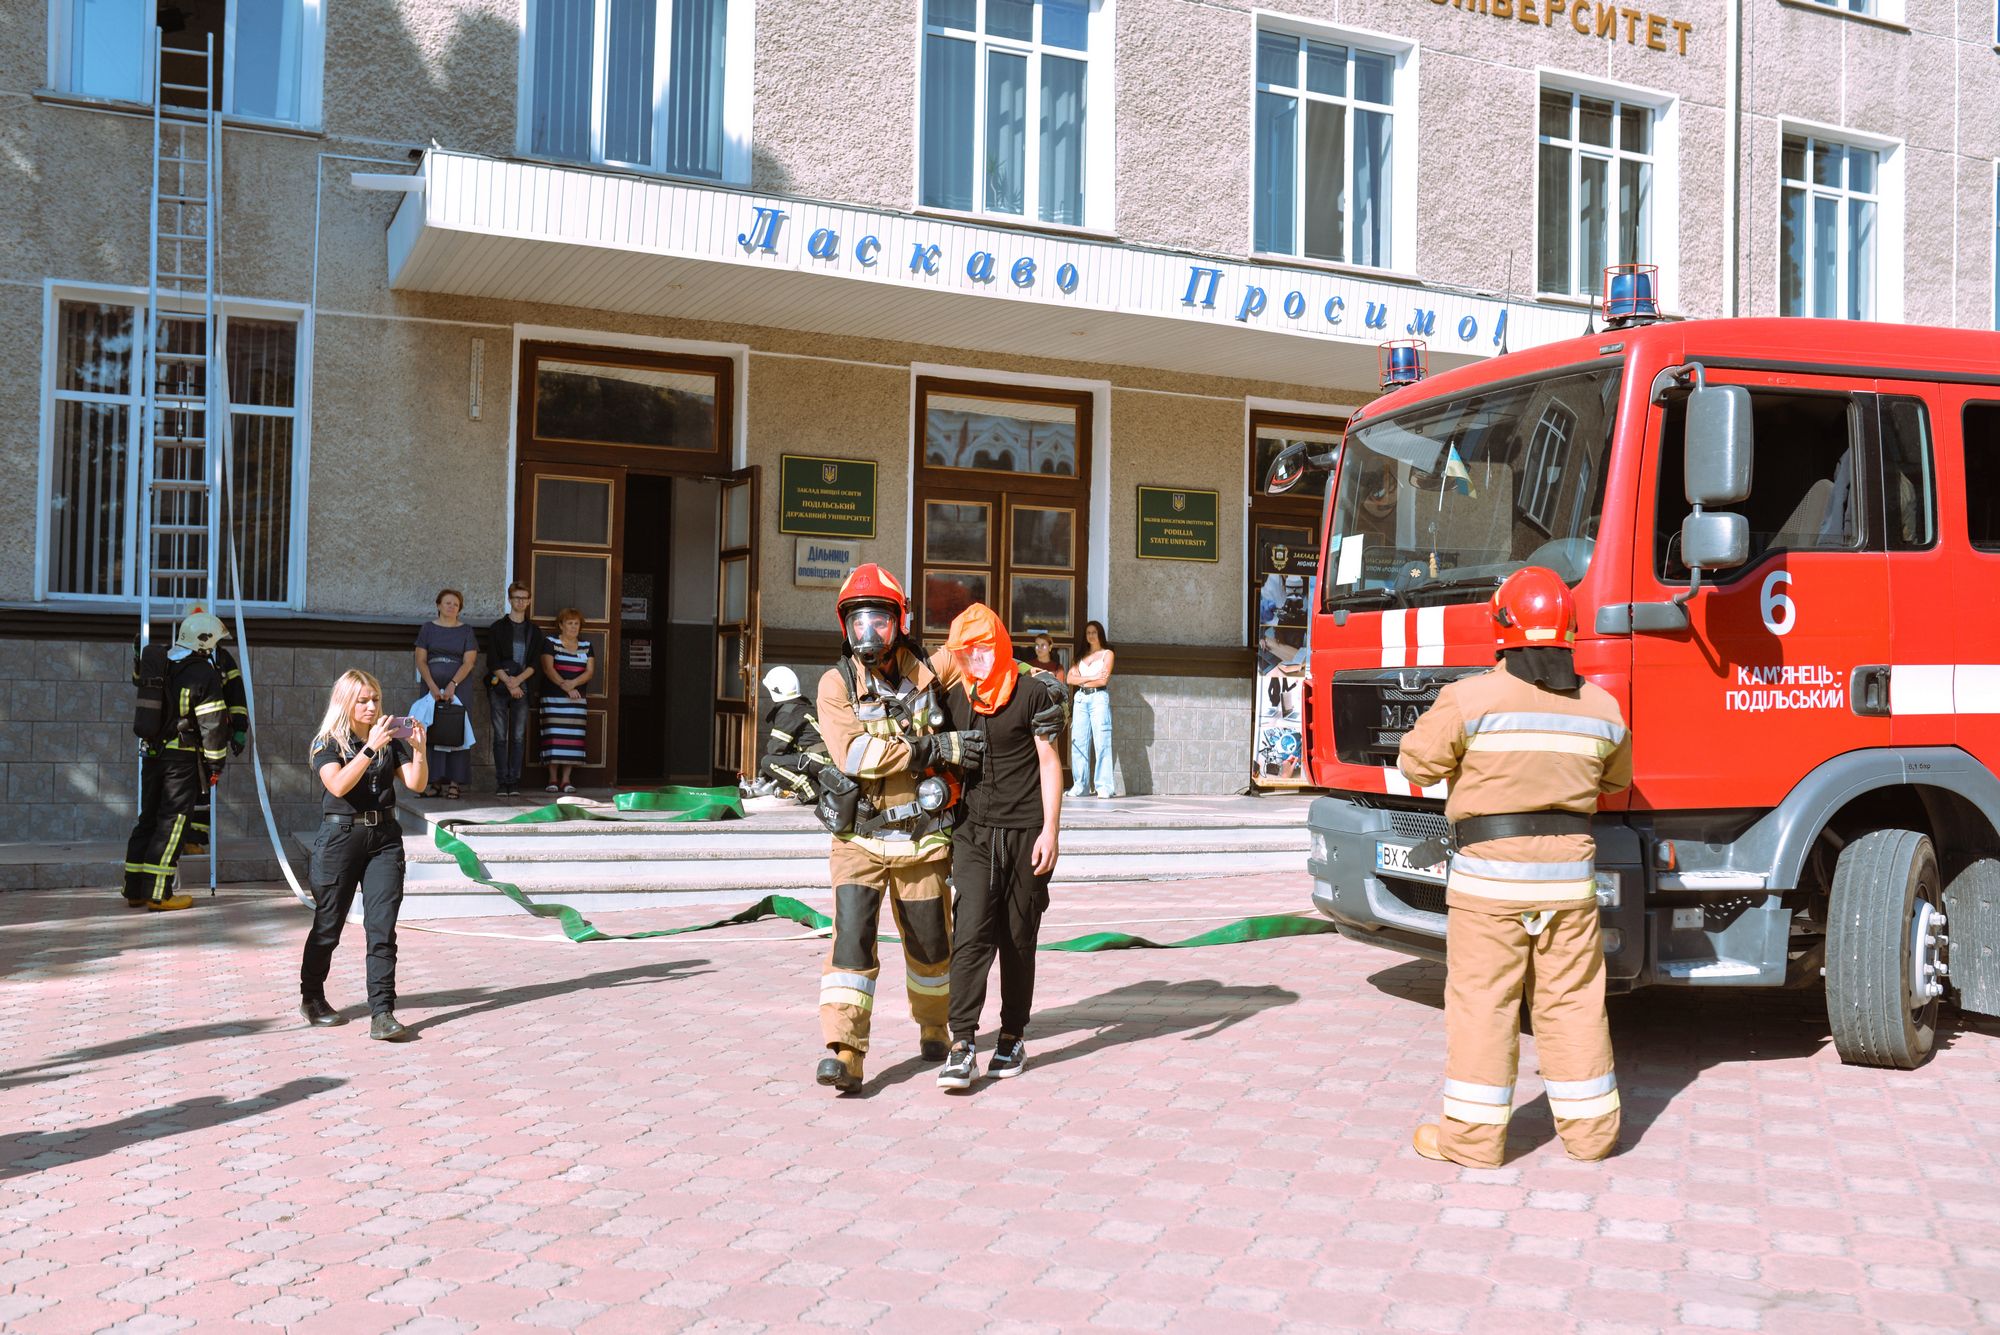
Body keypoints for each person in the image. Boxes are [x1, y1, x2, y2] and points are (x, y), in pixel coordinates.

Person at [1397, 566, 1633, 1167]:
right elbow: (1616, 781)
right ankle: (1592, 1136)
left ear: (1501, 627)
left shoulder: (1469, 699)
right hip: (1569, 887)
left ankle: (1473, 1143)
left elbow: (1417, 765)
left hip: (1488, 887)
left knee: (1484, 1006)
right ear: (1569, 631)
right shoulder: (1603, 707)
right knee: (1574, 1003)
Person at [811, 563, 984, 1095]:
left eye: (879, 620)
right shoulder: (835, 683)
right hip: (859, 841)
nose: (868, 632)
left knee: (932, 947)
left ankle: (934, 1027)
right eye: (858, 621)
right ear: (845, 626)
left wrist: (1041, 684)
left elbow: (984, 655)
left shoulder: (932, 668)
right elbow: (856, 755)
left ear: (899, 621)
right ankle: (845, 1053)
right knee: (851, 945)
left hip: (923, 839)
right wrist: (933, 747)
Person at [935, 603, 1066, 1090]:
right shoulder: (955, 700)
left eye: (983, 650)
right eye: (965, 653)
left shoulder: (1033, 693)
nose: (975, 661)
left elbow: (1050, 764)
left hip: (1027, 832)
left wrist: (1051, 831)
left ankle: (1012, 1036)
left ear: (1001, 646)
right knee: (970, 934)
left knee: (1017, 937)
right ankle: (962, 1043)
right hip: (973, 832)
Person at [300, 670, 427, 1041]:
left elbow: (417, 783)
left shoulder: (388, 739)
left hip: (384, 839)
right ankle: (312, 998)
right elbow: (338, 784)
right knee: (328, 926)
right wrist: (369, 748)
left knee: (382, 928)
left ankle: (382, 1012)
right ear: (345, 702)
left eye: (376, 699)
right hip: (340, 838)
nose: (372, 707)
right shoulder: (327, 743)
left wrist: (419, 750)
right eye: (363, 700)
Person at [122, 611, 233, 911]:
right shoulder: (202, 672)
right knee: (173, 823)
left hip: (152, 755)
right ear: (204, 641)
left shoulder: (163, 662)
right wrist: (216, 764)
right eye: (213, 643)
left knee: (148, 819)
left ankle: (135, 889)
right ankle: (159, 894)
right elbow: (212, 725)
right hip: (181, 760)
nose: (214, 649)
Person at [414, 589, 479, 800]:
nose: (451, 607)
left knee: (456, 731)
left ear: (459, 609)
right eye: (448, 603)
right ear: (438, 605)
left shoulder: (466, 631)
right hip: (431, 687)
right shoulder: (427, 628)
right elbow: (420, 660)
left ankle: (454, 782)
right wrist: (432, 686)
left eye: (456, 604)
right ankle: (434, 782)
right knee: (432, 730)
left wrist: (453, 684)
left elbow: (469, 662)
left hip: (459, 686)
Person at [484, 582, 543, 798]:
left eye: (524, 598)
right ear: (509, 599)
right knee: (500, 737)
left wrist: (517, 682)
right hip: (499, 688)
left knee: (518, 738)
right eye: (516, 597)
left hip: (523, 689)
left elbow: (535, 663)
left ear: (529, 601)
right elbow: (492, 661)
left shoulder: (534, 631)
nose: (520, 601)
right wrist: (510, 683)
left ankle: (514, 781)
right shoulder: (497, 627)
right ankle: (502, 782)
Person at [539, 608, 594, 793]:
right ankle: (552, 779)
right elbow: (548, 668)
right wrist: (565, 686)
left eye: (576, 623)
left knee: (572, 739)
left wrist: (574, 685)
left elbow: (589, 672)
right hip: (553, 699)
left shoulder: (587, 646)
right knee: (553, 738)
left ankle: (566, 780)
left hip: (576, 701)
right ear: (561, 625)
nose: (573, 626)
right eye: (569, 623)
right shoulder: (551, 643)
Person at [756, 666, 827, 803]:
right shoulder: (803, 706)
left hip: (817, 759)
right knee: (789, 758)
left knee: (768, 762)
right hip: (826, 758)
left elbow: (775, 749)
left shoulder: (788, 711)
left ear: (776, 690)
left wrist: (764, 772)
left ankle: (810, 790)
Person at [1064, 620, 1116, 799]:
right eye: (1088, 633)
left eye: (1094, 632)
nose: (1091, 635)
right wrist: (1092, 676)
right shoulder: (1081, 656)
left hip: (1098, 698)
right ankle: (1080, 786)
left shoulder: (1107, 654)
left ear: (1100, 634)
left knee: (1102, 742)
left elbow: (1103, 680)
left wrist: (1082, 679)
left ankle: (1104, 787)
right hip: (1080, 700)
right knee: (1078, 742)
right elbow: (1069, 679)